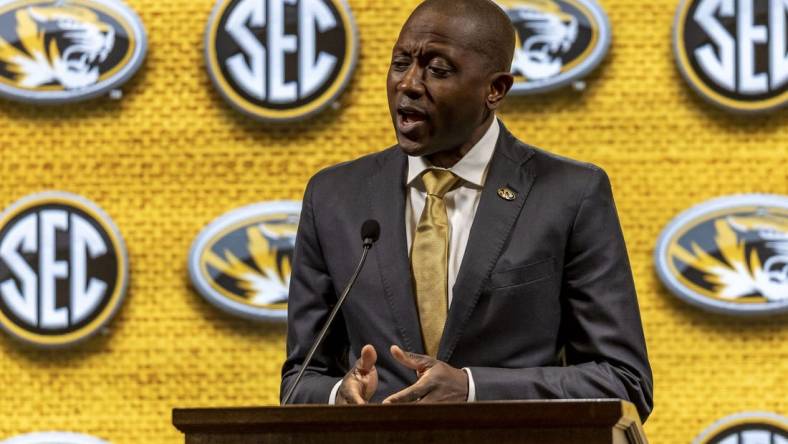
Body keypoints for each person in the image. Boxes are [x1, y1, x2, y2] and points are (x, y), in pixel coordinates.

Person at [280, 0, 653, 421]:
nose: (409, 84)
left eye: (437, 70)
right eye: (401, 62)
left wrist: (474, 389)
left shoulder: (570, 195)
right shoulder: (334, 197)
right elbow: (300, 380)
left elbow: (623, 381)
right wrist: (338, 396)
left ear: (496, 90)